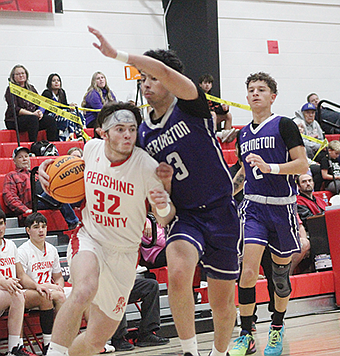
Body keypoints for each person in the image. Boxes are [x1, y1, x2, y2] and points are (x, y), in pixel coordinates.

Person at [89, 26, 242, 356]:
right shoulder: (143, 133)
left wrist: (117, 55)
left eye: (152, 78)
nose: (147, 84)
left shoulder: (191, 105)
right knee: (176, 273)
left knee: (222, 303)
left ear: (169, 79)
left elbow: (162, 70)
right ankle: (189, 350)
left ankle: (221, 352)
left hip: (222, 211)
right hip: (185, 217)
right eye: (143, 79)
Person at [38, 100, 176, 356]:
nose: (127, 134)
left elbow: (165, 217)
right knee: (83, 290)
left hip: (124, 255)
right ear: (103, 131)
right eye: (119, 128)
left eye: (131, 129)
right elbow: (62, 171)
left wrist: (163, 205)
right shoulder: (91, 149)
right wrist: (44, 170)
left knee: (95, 340)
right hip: (90, 238)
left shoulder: (146, 166)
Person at [230, 72, 308, 356]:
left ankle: (277, 327)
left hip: (282, 207)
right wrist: (228, 193)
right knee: (248, 271)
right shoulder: (243, 133)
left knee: (279, 278)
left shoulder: (284, 125)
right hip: (253, 208)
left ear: (272, 96)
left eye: (261, 89)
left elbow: (302, 165)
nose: (255, 94)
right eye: (251, 89)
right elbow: (243, 171)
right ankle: (247, 333)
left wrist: (271, 168)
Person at [0, 210, 51, 356]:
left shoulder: (10, 245)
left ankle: (49, 345)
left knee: (44, 295)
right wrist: (3, 280)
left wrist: (37, 286)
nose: (0, 228)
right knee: (16, 295)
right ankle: (14, 348)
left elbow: (21, 275)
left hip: (10, 294)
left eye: (1, 224)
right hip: (5, 293)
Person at [18, 213, 66, 355]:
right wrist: (48, 287)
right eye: (36, 227)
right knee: (54, 296)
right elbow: (22, 280)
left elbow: (58, 277)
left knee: (82, 294)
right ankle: (53, 343)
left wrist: (60, 287)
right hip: (30, 291)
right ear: (28, 230)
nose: (41, 230)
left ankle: (96, 341)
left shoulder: (52, 249)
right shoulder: (22, 251)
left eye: (44, 227)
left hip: (50, 290)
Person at [2, 146, 79, 229]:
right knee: (56, 192)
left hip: (45, 199)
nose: (24, 159)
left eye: (26, 156)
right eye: (20, 157)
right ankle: (74, 222)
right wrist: (25, 210)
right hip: (33, 204)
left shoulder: (37, 173)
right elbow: (10, 197)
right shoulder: (11, 175)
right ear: (14, 161)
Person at [110, 273, 169, 351]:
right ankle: (118, 338)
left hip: (122, 283)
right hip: (104, 288)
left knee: (151, 285)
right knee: (117, 290)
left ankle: (146, 334)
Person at [4, 65, 59, 142]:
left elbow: (39, 103)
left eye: (23, 73)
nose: (21, 75)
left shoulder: (31, 88)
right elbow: (15, 109)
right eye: (18, 74)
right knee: (33, 119)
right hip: (15, 120)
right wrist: (32, 114)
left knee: (50, 120)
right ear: (13, 77)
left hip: (33, 117)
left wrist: (40, 112)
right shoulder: (11, 89)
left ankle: (52, 144)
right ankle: (33, 144)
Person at [42, 74, 84, 142]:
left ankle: (79, 134)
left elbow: (64, 105)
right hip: (51, 114)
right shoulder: (47, 93)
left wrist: (70, 106)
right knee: (66, 117)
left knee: (76, 113)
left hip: (61, 113)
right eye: (53, 81)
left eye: (58, 80)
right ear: (49, 83)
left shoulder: (62, 92)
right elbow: (46, 108)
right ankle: (65, 138)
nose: (56, 82)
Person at [198, 73, 236, 143]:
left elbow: (218, 109)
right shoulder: (198, 95)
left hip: (212, 118)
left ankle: (226, 135)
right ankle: (214, 135)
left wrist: (224, 110)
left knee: (228, 115)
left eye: (209, 83)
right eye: (205, 83)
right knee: (213, 114)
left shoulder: (213, 97)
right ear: (200, 84)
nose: (207, 85)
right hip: (201, 119)